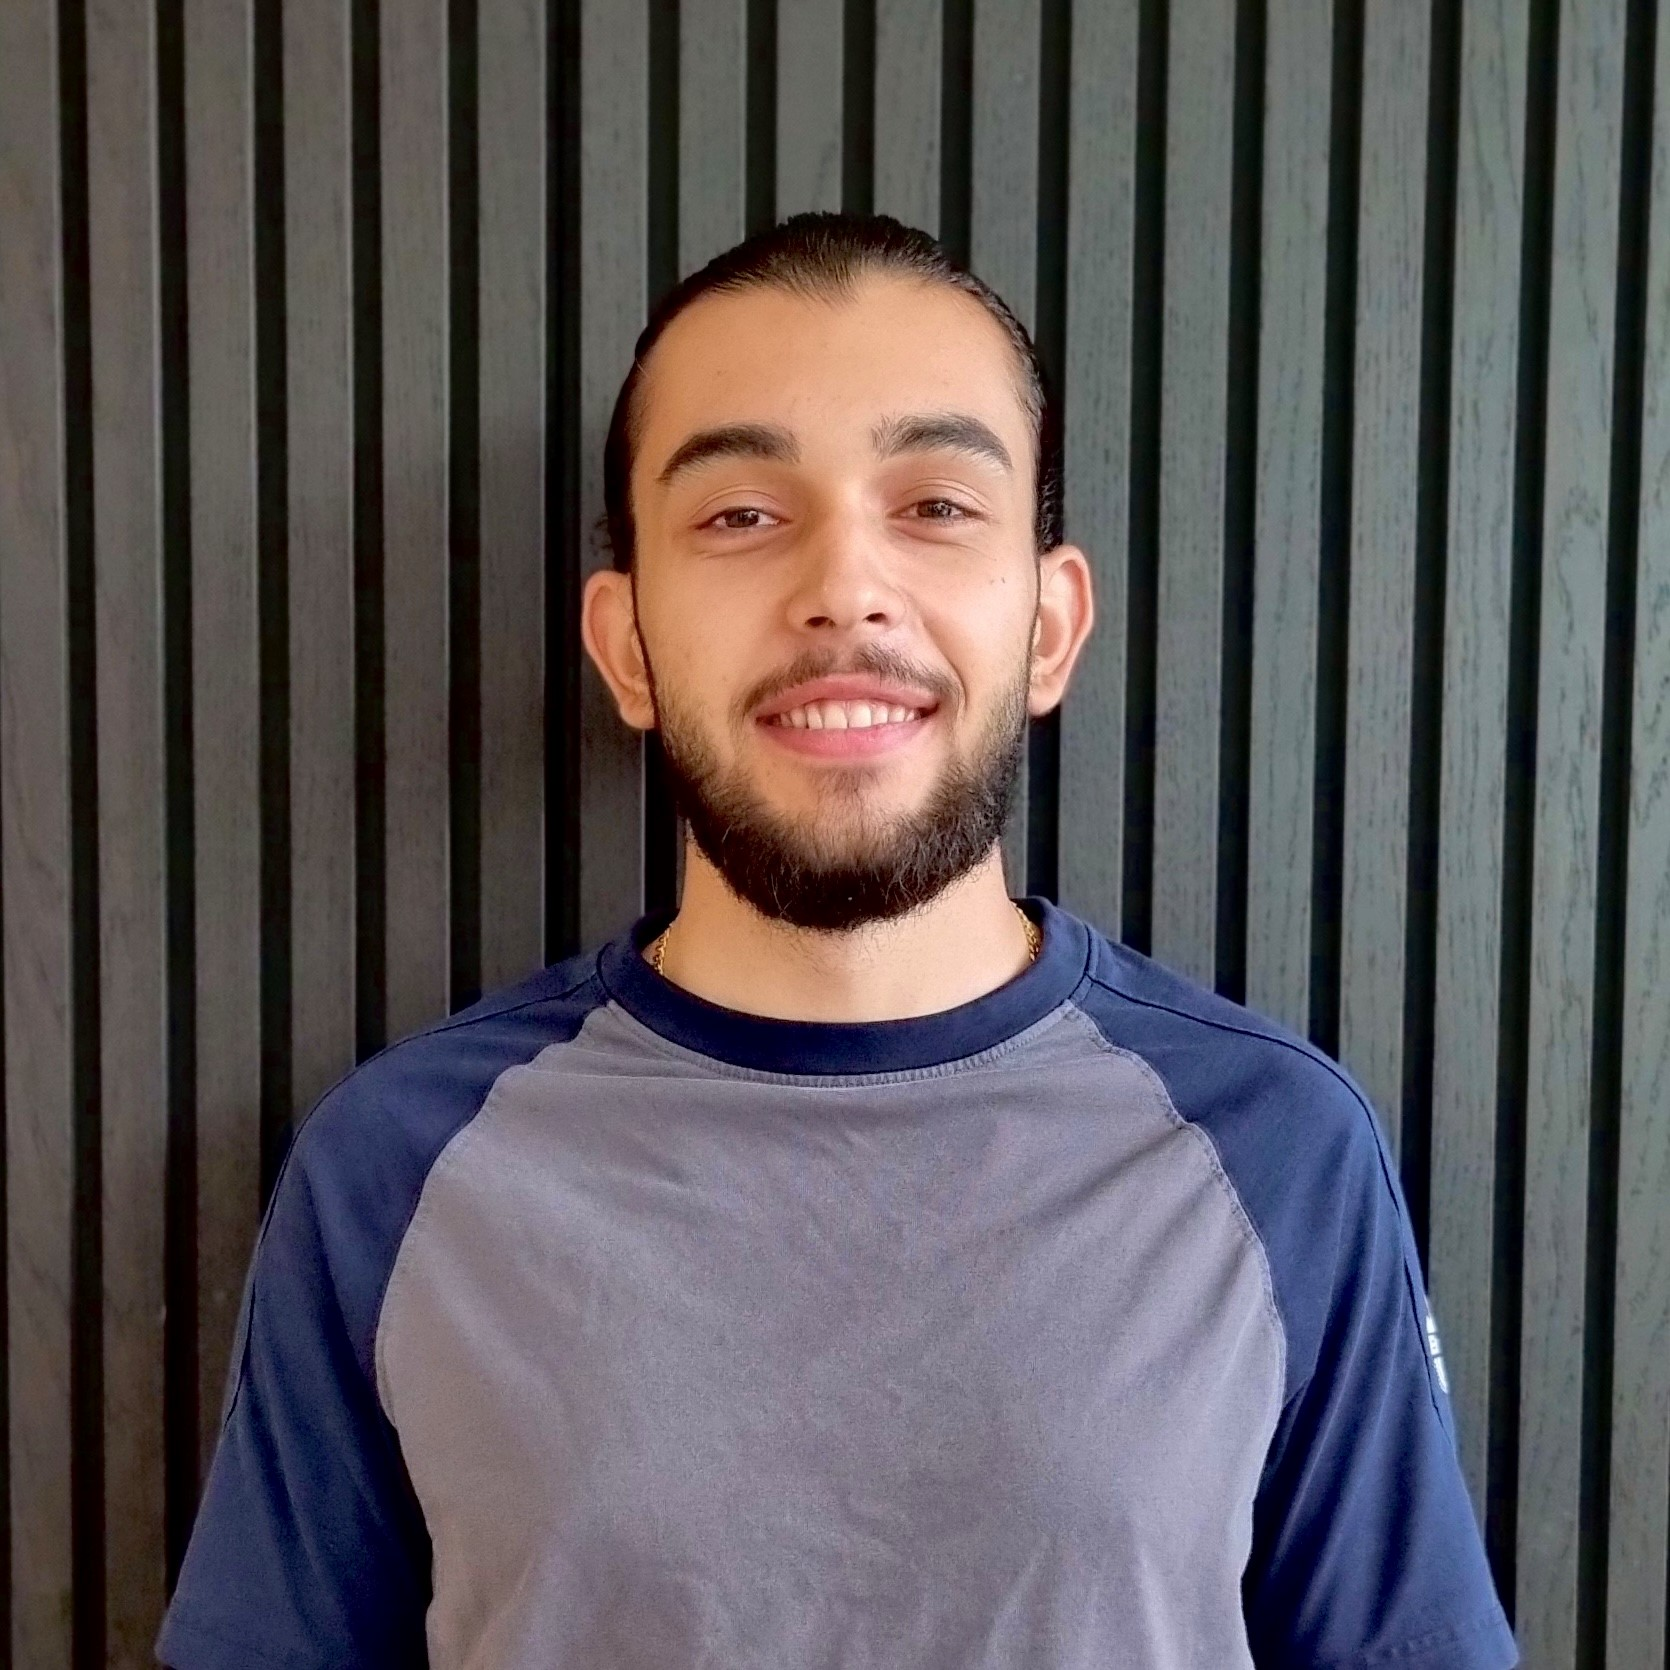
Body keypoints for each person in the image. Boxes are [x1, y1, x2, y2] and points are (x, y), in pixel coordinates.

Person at [158, 212, 1517, 1670]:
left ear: (1050, 628)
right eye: (742, 514)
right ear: (627, 646)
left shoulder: (1276, 1151)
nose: (843, 589)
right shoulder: (396, 1168)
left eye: (935, 504)